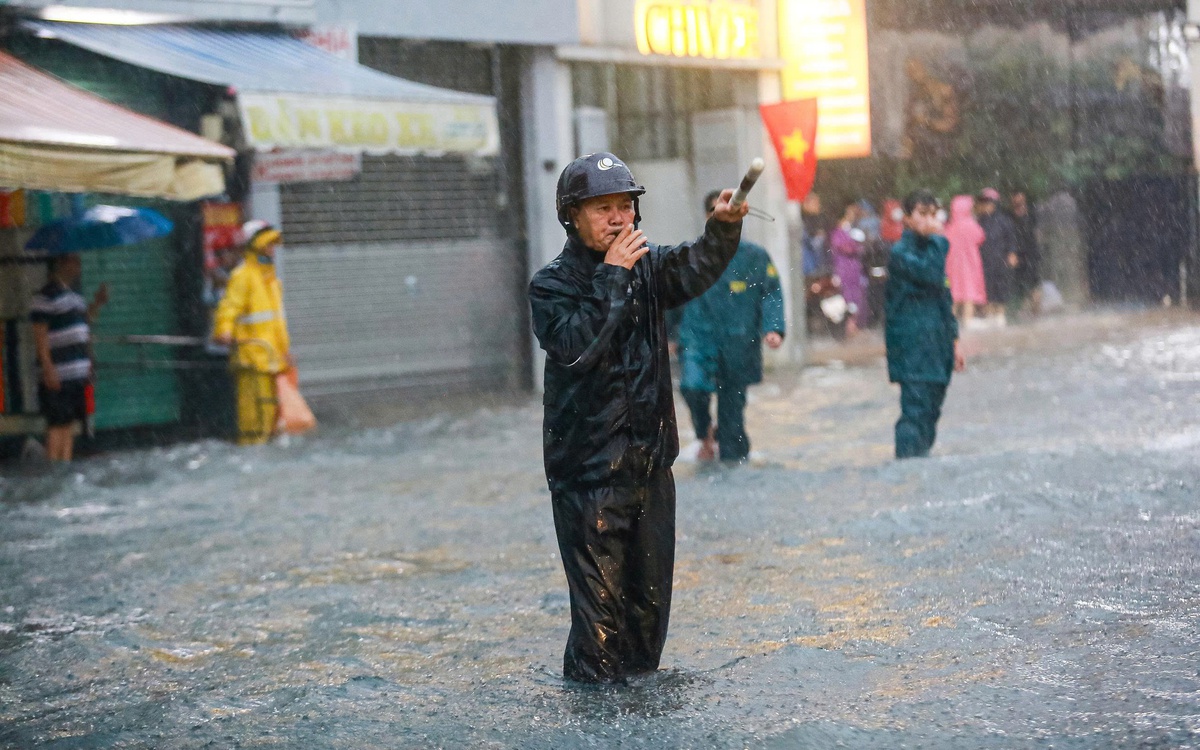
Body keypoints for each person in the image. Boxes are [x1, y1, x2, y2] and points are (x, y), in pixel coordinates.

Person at [528, 152, 747, 684]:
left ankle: (642, 718)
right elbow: (575, 349)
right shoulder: (551, 285)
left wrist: (722, 228)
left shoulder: (648, 268)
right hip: (588, 480)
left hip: (650, 472)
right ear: (571, 215)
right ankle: (590, 718)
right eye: (602, 208)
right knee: (599, 633)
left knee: (647, 628)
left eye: (625, 206)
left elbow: (694, 265)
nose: (618, 219)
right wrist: (611, 276)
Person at [674, 190, 785, 463]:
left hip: (738, 343)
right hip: (697, 338)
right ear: (707, 216)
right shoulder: (690, 255)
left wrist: (773, 328)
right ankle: (704, 432)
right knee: (692, 386)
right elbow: (671, 295)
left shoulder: (755, 256)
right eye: (716, 210)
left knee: (733, 420)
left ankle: (733, 463)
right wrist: (667, 334)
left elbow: (770, 293)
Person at [885, 189, 966, 459]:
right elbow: (930, 273)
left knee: (931, 411)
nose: (929, 220)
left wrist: (954, 341)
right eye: (922, 213)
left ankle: (921, 464)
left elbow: (944, 297)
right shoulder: (900, 253)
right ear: (907, 218)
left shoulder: (933, 250)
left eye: (933, 213)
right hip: (911, 348)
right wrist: (939, 239)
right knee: (914, 413)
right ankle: (907, 467)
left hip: (937, 346)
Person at [212, 221, 293, 445]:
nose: (272, 249)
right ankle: (251, 451)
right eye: (268, 244)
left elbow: (277, 322)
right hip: (251, 359)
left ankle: (263, 451)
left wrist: (285, 351)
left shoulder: (272, 281)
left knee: (271, 418)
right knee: (253, 419)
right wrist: (224, 330)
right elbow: (229, 306)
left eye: (273, 244)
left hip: (271, 359)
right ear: (254, 245)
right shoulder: (243, 275)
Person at [30, 253, 108, 462]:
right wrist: (47, 367)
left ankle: (64, 463)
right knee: (57, 424)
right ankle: (53, 465)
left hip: (76, 372)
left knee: (70, 423)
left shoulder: (75, 296)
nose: (78, 266)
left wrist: (97, 303)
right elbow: (40, 335)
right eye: (74, 261)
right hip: (59, 372)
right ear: (62, 263)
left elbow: (83, 323)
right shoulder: (45, 296)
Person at [944, 194, 988, 325]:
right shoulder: (971, 224)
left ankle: (950, 320)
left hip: (952, 264)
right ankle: (968, 320)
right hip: (970, 263)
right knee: (969, 291)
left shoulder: (950, 226)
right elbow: (980, 237)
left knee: (953, 292)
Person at [976, 187, 1018, 323]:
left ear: (995, 204)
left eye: (989, 202)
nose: (986, 205)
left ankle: (1000, 314)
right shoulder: (979, 221)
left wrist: (1012, 253)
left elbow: (1011, 238)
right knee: (986, 287)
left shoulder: (1004, 220)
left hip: (1001, 259)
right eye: (983, 202)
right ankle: (989, 314)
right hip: (984, 260)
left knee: (1001, 286)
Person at [830, 201, 867, 334]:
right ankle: (847, 326)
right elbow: (844, 248)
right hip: (844, 269)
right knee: (846, 297)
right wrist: (855, 246)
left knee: (856, 296)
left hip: (854, 269)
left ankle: (854, 324)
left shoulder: (852, 231)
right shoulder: (838, 233)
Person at [1009, 191, 1042, 318]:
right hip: (1017, 254)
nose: (1019, 203)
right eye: (1016, 200)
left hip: (1031, 253)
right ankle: (1023, 310)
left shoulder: (1032, 215)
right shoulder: (1011, 217)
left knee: (1033, 283)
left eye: (1021, 200)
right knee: (1020, 283)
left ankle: (1035, 311)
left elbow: (1038, 234)